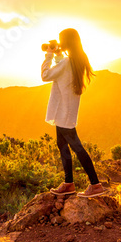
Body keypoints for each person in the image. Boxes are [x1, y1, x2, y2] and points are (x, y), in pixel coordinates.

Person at [42, 28, 105, 197]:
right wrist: (58, 55)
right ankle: (69, 183)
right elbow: (64, 69)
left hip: (64, 112)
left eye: (61, 40)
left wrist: (48, 55)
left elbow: (46, 75)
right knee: (62, 145)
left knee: (77, 147)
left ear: (67, 41)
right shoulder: (77, 59)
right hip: (66, 110)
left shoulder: (68, 62)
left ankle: (95, 184)